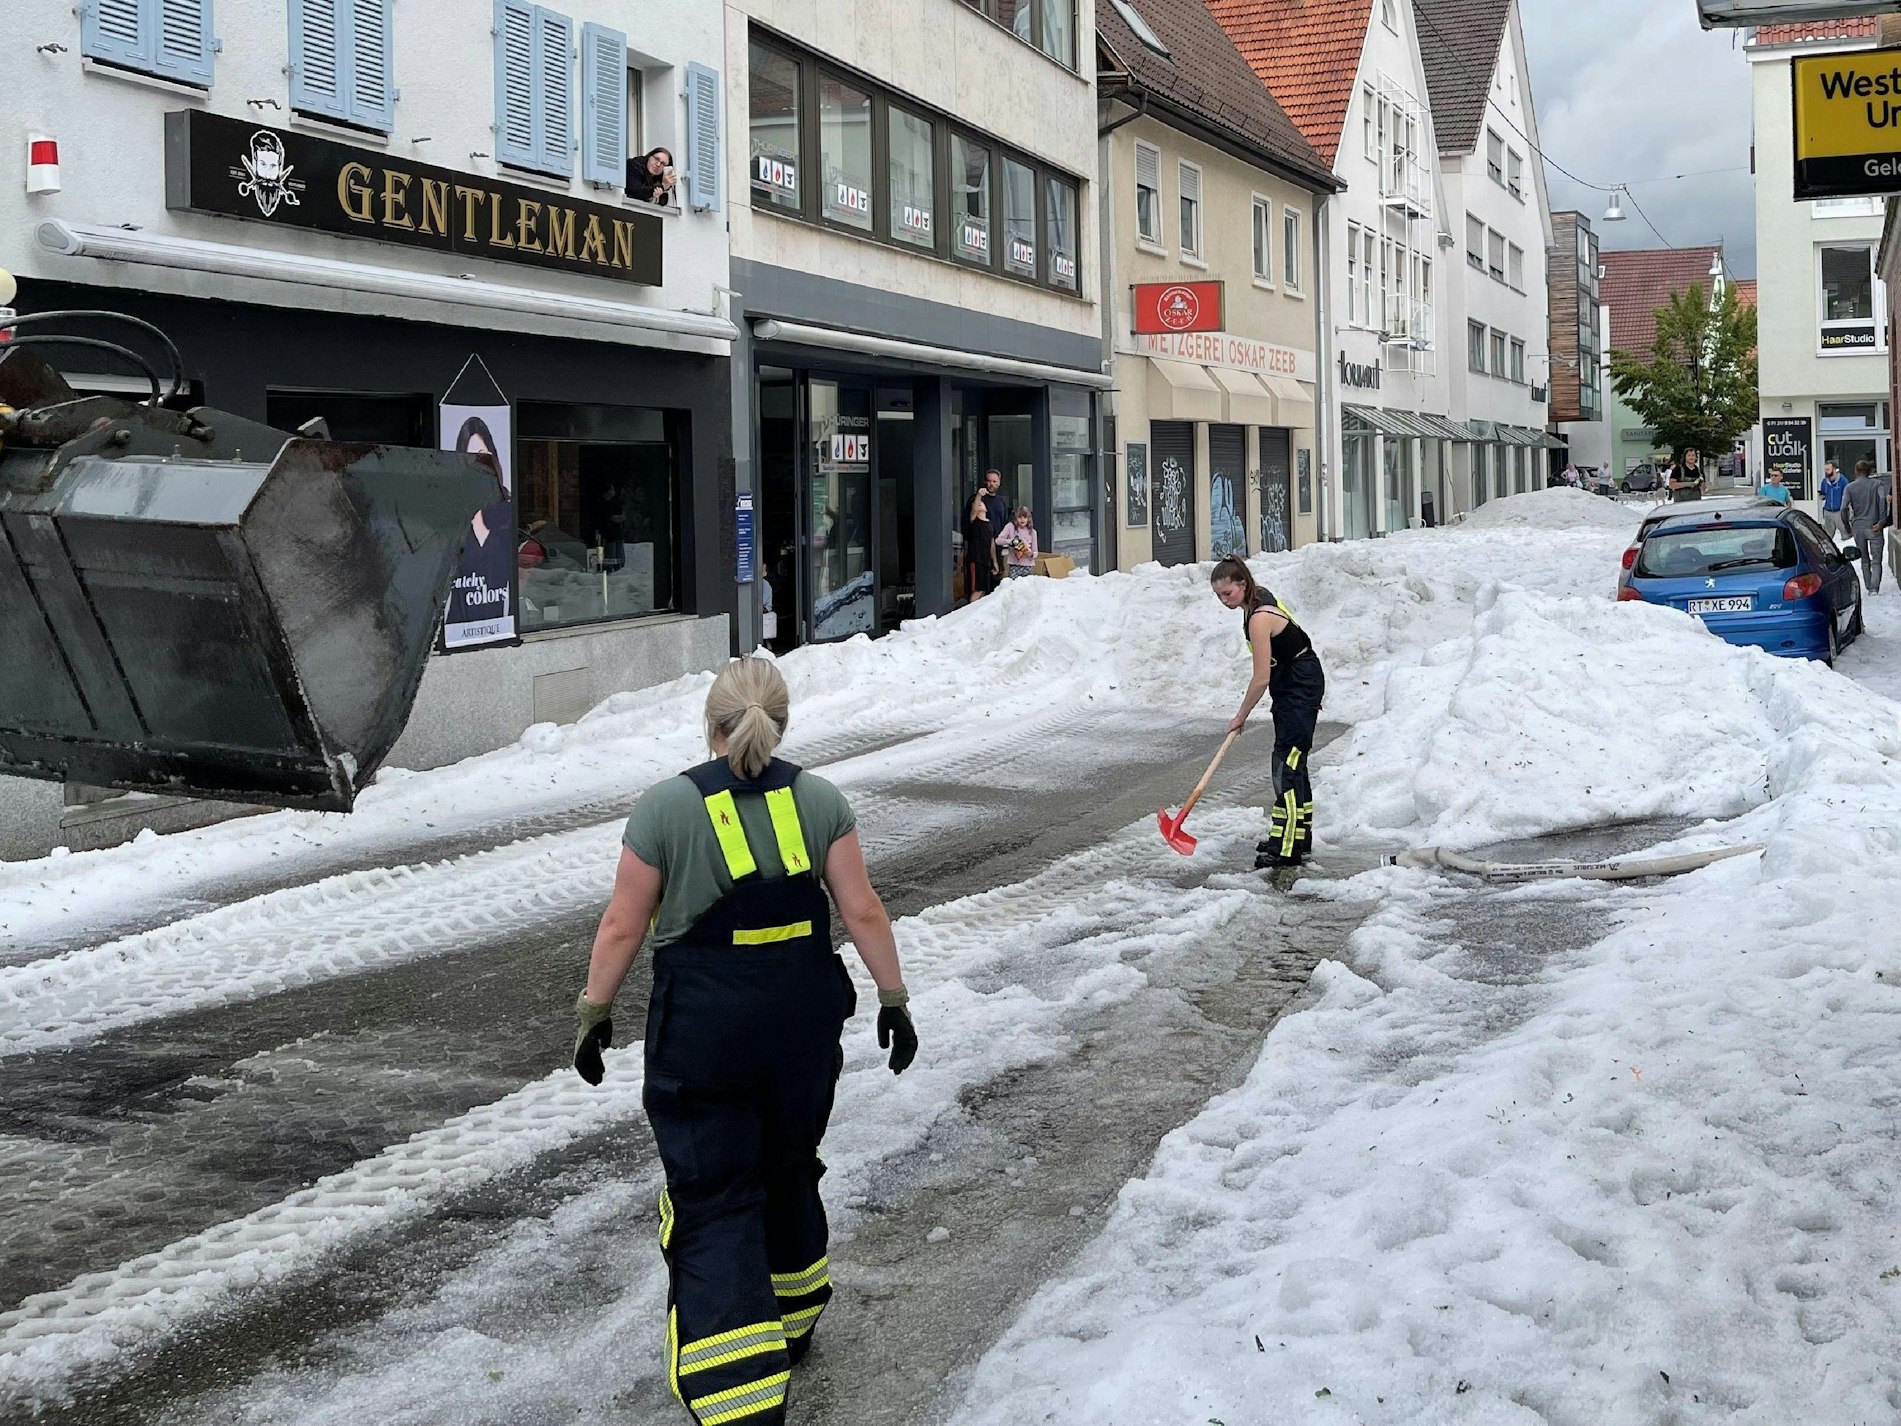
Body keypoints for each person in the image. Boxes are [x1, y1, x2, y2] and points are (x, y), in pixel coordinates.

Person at [573, 658, 917, 1423]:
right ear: (781, 722)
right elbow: (860, 910)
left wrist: (594, 1012)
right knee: (789, 1164)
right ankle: (793, 1322)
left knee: (714, 1190)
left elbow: (623, 924)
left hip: (705, 1029)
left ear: (711, 723)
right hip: (801, 1022)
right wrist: (893, 998)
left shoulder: (665, 807)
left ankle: (737, 1396)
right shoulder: (820, 799)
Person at [1210, 557, 1326, 872]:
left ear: (1243, 585)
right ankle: (1297, 840)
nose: (1224, 601)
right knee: (1293, 762)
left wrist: (1240, 716)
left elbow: (1260, 677)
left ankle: (1287, 849)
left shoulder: (1259, 617)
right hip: (1295, 681)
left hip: (1298, 684)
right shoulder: (1259, 598)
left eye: (1228, 594)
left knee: (1286, 765)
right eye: (1219, 596)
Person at [1843, 458, 1890, 594]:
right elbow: (1882, 501)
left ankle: (1869, 585)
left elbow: (1843, 508)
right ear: (1868, 471)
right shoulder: (1878, 484)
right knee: (1876, 559)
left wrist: (1847, 526)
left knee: (1864, 559)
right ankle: (1874, 588)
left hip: (1858, 526)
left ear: (1856, 471)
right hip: (1874, 524)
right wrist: (1882, 521)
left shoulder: (1849, 487)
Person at [963, 490, 999, 602]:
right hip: (976, 559)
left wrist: (994, 561)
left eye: (980, 503)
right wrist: (979, 495)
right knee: (977, 589)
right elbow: (973, 511)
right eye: (976, 503)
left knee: (983, 590)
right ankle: (970, 614)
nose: (979, 504)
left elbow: (991, 543)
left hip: (986, 560)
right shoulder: (974, 521)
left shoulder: (989, 524)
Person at [996, 506, 1039, 579]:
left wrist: (1031, 554)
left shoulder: (1032, 532)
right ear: (1016, 518)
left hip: (1028, 565)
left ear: (1028, 519)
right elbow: (998, 540)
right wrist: (1011, 541)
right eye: (1020, 517)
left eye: (1024, 517)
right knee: (1013, 586)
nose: (1022, 520)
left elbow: (1036, 552)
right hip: (1014, 565)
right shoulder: (1010, 527)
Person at [1819, 461, 1849, 540]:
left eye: (1828, 469)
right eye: (1825, 469)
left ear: (1834, 469)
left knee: (1846, 534)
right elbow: (1823, 494)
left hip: (1839, 511)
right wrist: (1821, 496)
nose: (1826, 472)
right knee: (1827, 536)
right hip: (1828, 511)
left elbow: (1847, 495)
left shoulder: (1843, 481)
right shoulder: (1824, 481)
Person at [979, 469, 1011, 535]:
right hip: (983, 539)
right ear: (985, 482)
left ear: (999, 483)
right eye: (989, 481)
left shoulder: (1001, 501)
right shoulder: (979, 499)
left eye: (994, 481)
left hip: (999, 540)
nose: (991, 484)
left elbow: (1005, 522)